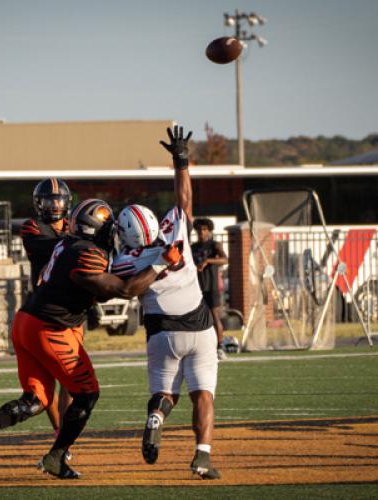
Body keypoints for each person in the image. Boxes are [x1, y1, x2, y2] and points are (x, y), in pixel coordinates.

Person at [0, 198, 182, 479]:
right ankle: (56, 456)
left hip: (27, 321)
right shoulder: (87, 253)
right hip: (50, 328)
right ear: (98, 229)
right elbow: (124, 290)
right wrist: (160, 263)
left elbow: (100, 290)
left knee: (36, 400)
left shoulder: (69, 244)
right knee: (87, 394)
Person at [113, 125, 220, 479]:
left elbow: (123, 287)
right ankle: (202, 456)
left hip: (161, 333)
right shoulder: (175, 231)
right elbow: (184, 200)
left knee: (165, 393)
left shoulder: (126, 262)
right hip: (200, 326)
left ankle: (157, 416)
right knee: (202, 393)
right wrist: (181, 161)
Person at [21, 178, 72, 443]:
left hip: (72, 308)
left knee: (71, 377)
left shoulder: (72, 228)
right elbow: (53, 248)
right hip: (43, 310)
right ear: (39, 203)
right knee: (49, 378)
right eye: (49, 200)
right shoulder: (33, 227)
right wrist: (80, 240)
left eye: (58, 199)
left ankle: (63, 433)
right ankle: (58, 430)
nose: (54, 205)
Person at [191, 218, 229, 360]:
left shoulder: (214, 246)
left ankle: (219, 347)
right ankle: (200, 349)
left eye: (205, 229)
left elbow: (225, 260)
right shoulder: (192, 247)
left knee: (214, 317)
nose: (202, 232)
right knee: (196, 319)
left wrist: (207, 261)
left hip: (211, 287)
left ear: (209, 231)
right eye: (199, 229)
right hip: (196, 288)